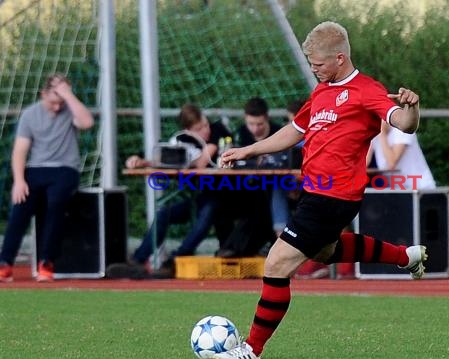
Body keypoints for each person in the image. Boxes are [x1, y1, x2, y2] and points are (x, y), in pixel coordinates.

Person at [212, 21, 426, 359]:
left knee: (277, 262)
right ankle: (406, 256)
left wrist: (412, 107)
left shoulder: (367, 90)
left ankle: (251, 349)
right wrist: (249, 151)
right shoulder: (321, 91)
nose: (314, 70)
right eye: (310, 64)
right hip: (315, 192)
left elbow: (404, 123)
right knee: (325, 252)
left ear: (340, 58)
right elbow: (295, 131)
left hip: (336, 196)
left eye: (318, 64)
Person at [105, 103, 232, 279]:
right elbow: (165, 159)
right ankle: (138, 260)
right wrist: (141, 161)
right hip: (202, 196)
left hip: (229, 196)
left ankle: (174, 261)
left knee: (208, 211)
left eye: (205, 124)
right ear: (188, 131)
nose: (205, 130)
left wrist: (210, 149)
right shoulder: (182, 142)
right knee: (165, 213)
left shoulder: (219, 131)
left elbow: (203, 162)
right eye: (199, 128)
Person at [0, 74, 94, 282]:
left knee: (56, 203)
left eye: (61, 102)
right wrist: (19, 180)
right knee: (20, 207)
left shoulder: (70, 109)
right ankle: (5, 263)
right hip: (35, 170)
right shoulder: (30, 115)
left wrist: (68, 95)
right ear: (43, 94)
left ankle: (46, 262)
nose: (57, 107)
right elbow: (20, 151)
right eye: (53, 101)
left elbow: (87, 122)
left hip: (65, 169)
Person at [215, 97, 287, 258]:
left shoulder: (280, 133)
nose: (255, 129)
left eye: (259, 124)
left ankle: (235, 249)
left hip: (274, 186)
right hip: (245, 187)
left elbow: (283, 162)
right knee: (218, 201)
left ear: (267, 118)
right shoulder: (241, 133)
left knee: (261, 202)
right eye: (251, 124)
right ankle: (228, 247)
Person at [366, 119, 436, 190]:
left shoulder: (403, 129)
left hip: (421, 188)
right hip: (399, 190)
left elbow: (391, 163)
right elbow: (364, 163)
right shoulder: (374, 132)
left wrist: (382, 134)